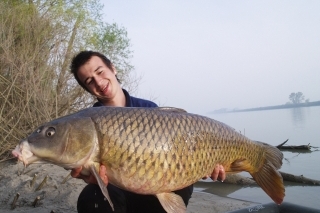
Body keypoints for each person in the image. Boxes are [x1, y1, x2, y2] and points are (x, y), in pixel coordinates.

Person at [70, 50, 226, 213]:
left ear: (113, 69)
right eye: (89, 81)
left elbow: (181, 149)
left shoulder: (149, 109)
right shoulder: (85, 124)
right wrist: (93, 178)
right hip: (118, 197)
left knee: (182, 181)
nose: (99, 82)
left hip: (154, 194)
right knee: (91, 195)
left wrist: (205, 162)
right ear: (87, 89)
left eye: (100, 72)